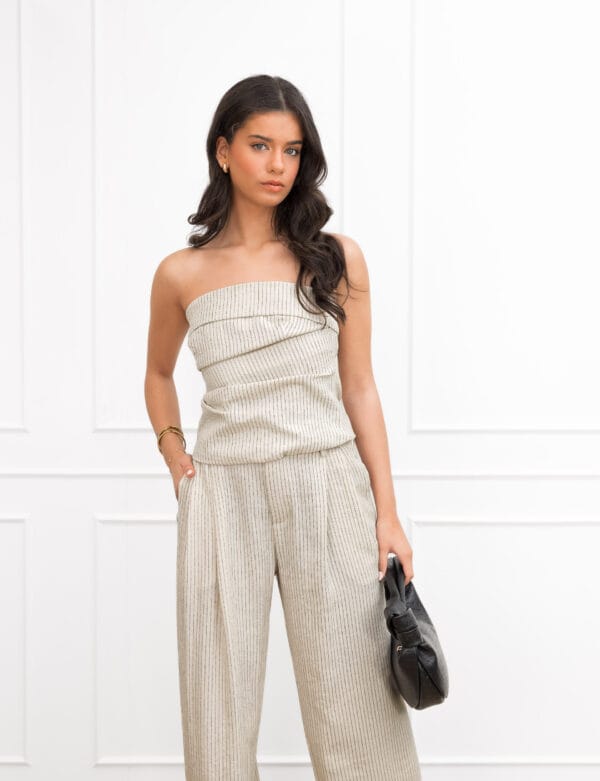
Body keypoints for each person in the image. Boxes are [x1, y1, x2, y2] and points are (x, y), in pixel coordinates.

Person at [144, 74, 421, 781]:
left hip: (326, 482)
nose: (277, 165)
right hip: (222, 492)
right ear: (223, 151)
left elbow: (360, 387)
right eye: (260, 145)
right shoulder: (181, 273)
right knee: (217, 702)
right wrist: (176, 456)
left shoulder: (335, 258)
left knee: (355, 701)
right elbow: (158, 374)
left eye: (292, 150)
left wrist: (388, 513)